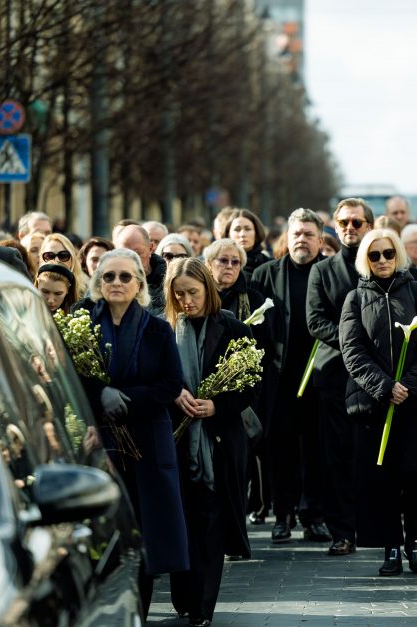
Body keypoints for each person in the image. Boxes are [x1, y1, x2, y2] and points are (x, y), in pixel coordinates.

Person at [82, 248, 189, 613]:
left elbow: (172, 384)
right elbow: (71, 376)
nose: (116, 283)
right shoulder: (81, 321)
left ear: (140, 284)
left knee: (144, 531)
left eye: (125, 276)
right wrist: (100, 395)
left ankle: (138, 611)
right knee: (105, 527)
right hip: (101, 437)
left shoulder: (158, 328)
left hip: (146, 439)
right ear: (97, 282)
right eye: (108, 276)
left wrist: (126, 397)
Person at [339, 228, 417, 576]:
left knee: (415, 477)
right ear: (365, 259)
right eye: (374, 255)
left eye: (388, 253)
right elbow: (353, 350)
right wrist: (383, 386)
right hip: (373, 404)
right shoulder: (354, 299)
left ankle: (414, 541)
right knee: (380, 478)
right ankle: (391, 544)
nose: (382, 260)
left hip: (415, 403)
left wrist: (408, 385)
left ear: (399, 255)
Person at [165, 257, 256, 627]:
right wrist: (175, 395)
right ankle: (184, 598)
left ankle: (203, 607)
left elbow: (251, 384)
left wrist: (216, 404)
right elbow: (155, 375)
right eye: (180, 294)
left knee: (211, 523)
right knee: (181, 520)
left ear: (208, 289)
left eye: (194, 293)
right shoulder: (165, 329)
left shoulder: (233, 329)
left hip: (217, 441)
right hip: (175, 441)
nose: (187, 301)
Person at [251, 208, 331, 544]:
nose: (302, 239)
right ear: (287, 237)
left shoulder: (330, 273)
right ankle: (282, 515)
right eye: (296, 233)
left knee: (317, 451)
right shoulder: (267, 274)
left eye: (309, 234)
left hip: (320, 376)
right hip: (279, 378)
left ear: (320, 239)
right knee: (280, 449)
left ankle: (312, 515)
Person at [306, 197, 374, 556]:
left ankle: (371, 525)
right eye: (343, 223)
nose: (350, 229)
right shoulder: (323, 270)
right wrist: (354, 344)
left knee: (370, 455)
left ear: (369, 227)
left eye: (357, 223)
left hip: (375, 376)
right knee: (337, 455)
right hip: (334, 374)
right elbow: (315, 321)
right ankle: (341, 531)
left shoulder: (380, 264)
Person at [202, 237, 274, 525]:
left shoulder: (253, 299)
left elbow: (267, 347)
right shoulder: (200, 298)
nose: (229, 266)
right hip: (204, 395)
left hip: (242, 395)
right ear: (209, 265)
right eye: (223, 260)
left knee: (239, 461)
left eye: (235, 262)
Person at [114, 224, 167, 316]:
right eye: (124, 254)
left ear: (150, 248)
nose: (131, 260)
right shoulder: (106, 282)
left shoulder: (168, 281)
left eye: (138, 253)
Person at [222, 208, 271, 281]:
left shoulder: (270, 266)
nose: (242, 234)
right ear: (228, 234)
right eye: (237, 229)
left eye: (247, 229)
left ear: (256, 233)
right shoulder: (219, 265)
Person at [40, 233, 88, 299]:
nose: (56, 260)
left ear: (72, 260)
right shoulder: (30, 290)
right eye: (49, 256)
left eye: (63, 256)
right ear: (41, 259)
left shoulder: (86, 293)